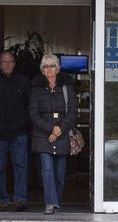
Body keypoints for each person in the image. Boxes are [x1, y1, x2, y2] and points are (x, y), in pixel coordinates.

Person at [29, 54, 78, 214]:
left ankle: (57, 202)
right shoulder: (36, 89)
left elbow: (72, 112)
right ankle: (50, 203)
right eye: (45, 66)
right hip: (43, 137)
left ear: (57, 68)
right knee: (47, 170)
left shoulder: (67, 88)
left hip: (62, 136)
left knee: (59, 175)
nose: (49, 69)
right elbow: (34, 114)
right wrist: (51, 129)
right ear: (42, 70)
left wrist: (59, 130)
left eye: (52, 66)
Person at [0, 51, 30, 211]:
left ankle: (20, 199)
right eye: (4, 62)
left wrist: (23, 123)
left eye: (10, 61)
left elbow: (30, 107)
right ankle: (3, 199)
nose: (7, 64)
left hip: (19, 133)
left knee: (21, 167)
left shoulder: (24, 82)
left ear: (14, 63)